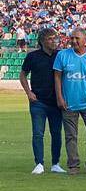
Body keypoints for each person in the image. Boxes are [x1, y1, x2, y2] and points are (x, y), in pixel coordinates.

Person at [52, 29, 86, 175]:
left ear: (85, 40)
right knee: (70, 135)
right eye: (72, 38)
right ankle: (73, 165)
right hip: (69, 103)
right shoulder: (62, 55)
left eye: (77, 38)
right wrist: (60, 97)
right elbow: (57, 77)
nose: (74, 41)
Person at [20, 28, 65, 174]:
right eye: (50, 39)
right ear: (42, 41)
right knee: (38, 133)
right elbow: (23, 75)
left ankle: (55, 163)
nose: (54, 41)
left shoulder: (60, 55)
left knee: (56, 133)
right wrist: (29, 92)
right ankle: (39, 163)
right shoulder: (32, 56)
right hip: (38, 101)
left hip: (56, 101)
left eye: (55, 38)